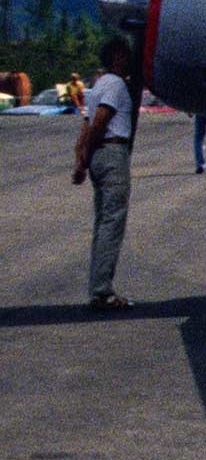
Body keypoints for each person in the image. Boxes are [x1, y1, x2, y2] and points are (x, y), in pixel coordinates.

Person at [72, 37, 135, 311]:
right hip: (112, 152)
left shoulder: (97, 85)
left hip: (98, 155)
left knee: (102, 222)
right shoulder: (115, 84)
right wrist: (89, 151)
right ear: (118, 57)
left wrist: (82, 161)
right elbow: (99, 122)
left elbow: (85, 126)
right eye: (127, 55)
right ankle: (102, 291)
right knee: (112, 221)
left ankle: (98, 287)